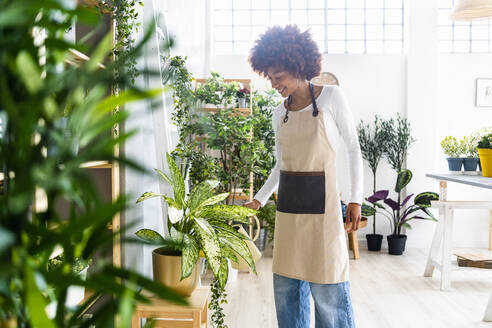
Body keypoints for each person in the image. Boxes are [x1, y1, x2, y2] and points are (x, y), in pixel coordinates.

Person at [243, 25, 363, 328]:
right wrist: (258, 199)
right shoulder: (277, 113)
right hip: (289, 213)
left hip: (325, 213)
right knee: (286, 289)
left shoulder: (331, 98)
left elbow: (352, 149)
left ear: (298, 66)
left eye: (278, 77)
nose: (273, 84)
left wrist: (355, 200)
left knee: (329, 290)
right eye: (269, 77)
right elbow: (281, 165)